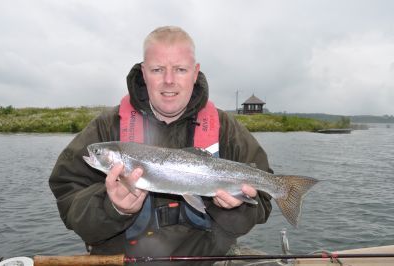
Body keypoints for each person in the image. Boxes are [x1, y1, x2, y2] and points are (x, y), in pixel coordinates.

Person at [49, 26, 273, 265]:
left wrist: (234, 209)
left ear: (195, 73)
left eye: (180, 69)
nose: (169, 81)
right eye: (157, 70)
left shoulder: (227, 130)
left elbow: (262, 205)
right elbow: (68, 202)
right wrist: (112, 207)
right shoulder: (105, 128)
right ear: (144, 73)